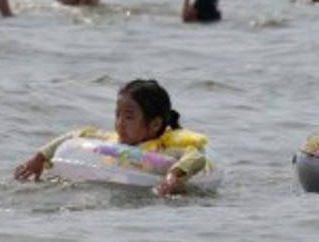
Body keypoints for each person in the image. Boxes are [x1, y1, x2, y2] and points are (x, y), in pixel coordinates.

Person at [13, 79, 212, 196]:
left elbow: (196, 157)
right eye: (117, 115)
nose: (119, 123)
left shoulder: (165, 150)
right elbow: (76, 135)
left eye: (129, 117)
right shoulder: (110, 141)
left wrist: (173, 176)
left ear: (155, 124)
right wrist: (39, 157)